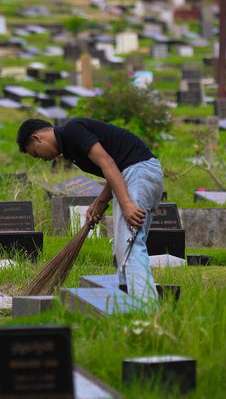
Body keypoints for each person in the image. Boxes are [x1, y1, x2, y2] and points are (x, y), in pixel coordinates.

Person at [17, 117, 164, 302]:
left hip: (138, 172)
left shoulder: (72, 131)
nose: (43, 159)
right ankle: (128, 302)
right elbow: (115, 168)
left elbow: (108, 163)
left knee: (130, 244)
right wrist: (100, 202)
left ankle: (146, 308)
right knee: (122, 248)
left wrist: (126, 204)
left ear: (37, 138)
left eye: (36, 154)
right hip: (135, 173)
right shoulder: (70, 148)